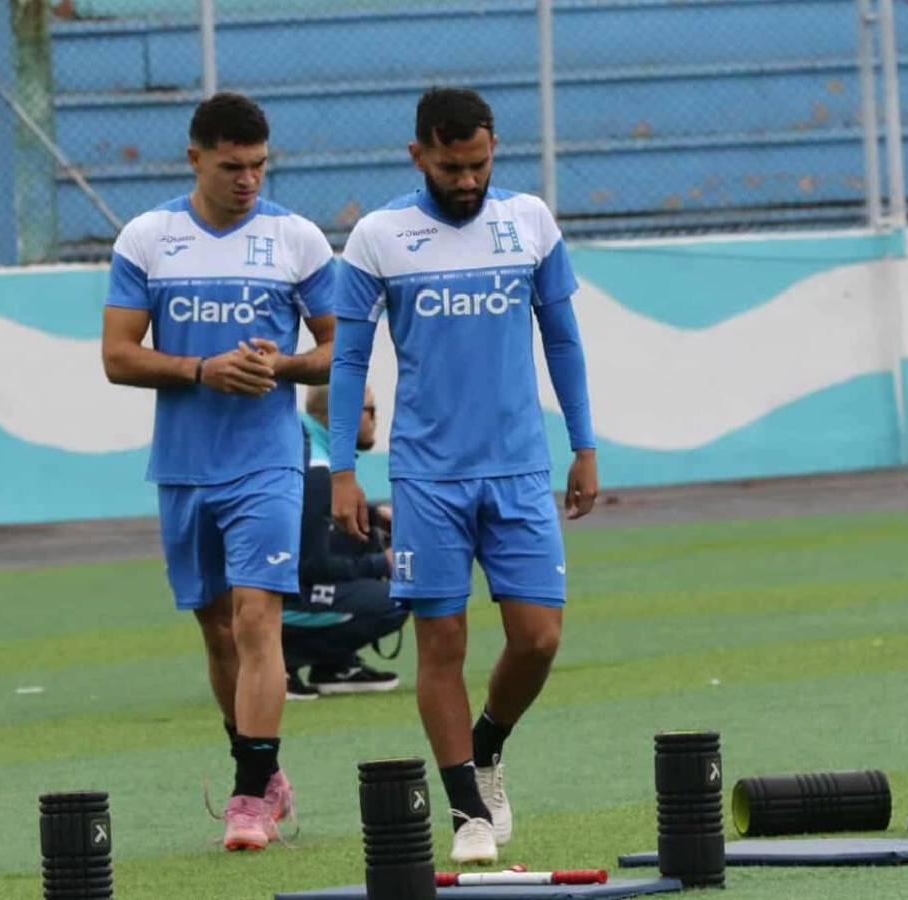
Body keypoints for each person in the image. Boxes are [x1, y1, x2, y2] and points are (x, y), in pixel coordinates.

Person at [327, 87, 598, 864]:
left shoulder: (532, 223)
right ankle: (466, 811)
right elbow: (348, 360)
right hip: (427, 479)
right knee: (439, 641)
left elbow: (564, 341)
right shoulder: (378, 237)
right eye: (452, 166)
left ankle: (488, 743)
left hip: (519, 470)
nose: (469, 179)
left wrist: (583, 445)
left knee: (539, 639)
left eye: (480, 163)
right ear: (419, 156)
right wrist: (344, 469)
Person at [101, 92, 336, 852]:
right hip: (183, 466)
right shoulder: (148, 237)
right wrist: (203, 370)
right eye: (232, 166)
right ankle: (264, 771)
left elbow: (340, 348)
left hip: (268, 459)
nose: (248, 181)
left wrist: (284, 365)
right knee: (216, 629)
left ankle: (246, 796)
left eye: (259, 166)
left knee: (256, 618)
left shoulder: (296, 239)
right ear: (195, 158)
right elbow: (118, 356)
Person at [283, 385, 408, 699]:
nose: (376, 420)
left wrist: (373, 515)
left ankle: (335, 665)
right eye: (371, 411)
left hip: (263, 584)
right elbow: (309, 565)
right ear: (346, 415)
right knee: (398, 596)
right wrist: (383, 563)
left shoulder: (306, 443)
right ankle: (278, 661)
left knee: (364, 536)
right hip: (268, 595)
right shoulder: (317, 470)